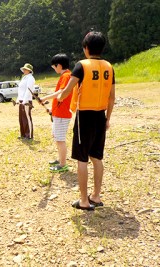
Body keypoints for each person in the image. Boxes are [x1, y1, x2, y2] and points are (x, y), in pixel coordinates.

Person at [57, 31, 115, 211]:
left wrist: (59, 97)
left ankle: (83, 200)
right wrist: (108, 119)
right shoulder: (109, 67)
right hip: (100, 115)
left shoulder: (81, 66)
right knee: (97, 157)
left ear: (86, 48)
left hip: (84, 117)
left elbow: (67, 90)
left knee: (82, 159)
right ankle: (96, 196)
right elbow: (112, 97)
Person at [40, 54, 75, 172]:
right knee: (57, 137)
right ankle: (60, 159)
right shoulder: (64, 76)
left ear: (59, 65)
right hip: (58, 113)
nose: (54, 69)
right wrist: (52, 110)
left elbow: (61, 92)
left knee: (60, 139)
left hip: (63, 114)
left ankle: (63, 164)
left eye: (54, 67)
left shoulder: (66, 76)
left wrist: (45, 98)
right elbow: (59, 97)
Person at [17, 63, 35, 140]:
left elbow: (28, 90)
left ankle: (29, 135)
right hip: (21, 99)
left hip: (27, 100)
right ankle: (23, 134)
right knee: (21, 118)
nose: (24, 70)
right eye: (23, 69)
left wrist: (25, 100)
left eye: (25, 69)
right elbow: (20, 90)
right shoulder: (24, 78)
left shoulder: (31, 78)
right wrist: (18, 99)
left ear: (29, 70)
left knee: (27, 117)